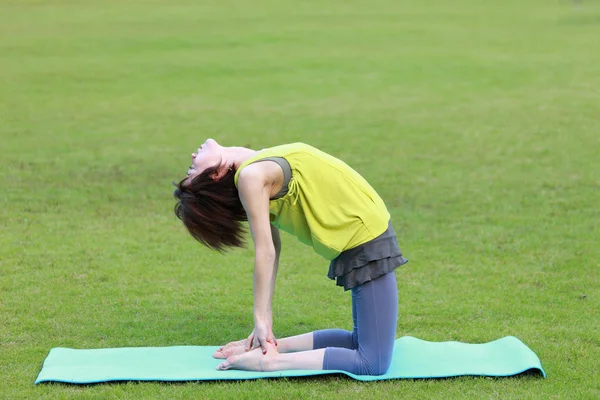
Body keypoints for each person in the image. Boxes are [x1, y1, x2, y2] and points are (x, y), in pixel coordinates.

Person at [173, 139, 408, 375]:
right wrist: (261, 319)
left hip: (363, 236)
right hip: (366, 240)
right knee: (372, 362)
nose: (193, 156)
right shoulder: (251, 176)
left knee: (362, 342)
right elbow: (267, 250)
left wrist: (264, 330)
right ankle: (270, 362)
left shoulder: (255, 164)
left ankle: (272, 349)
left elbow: (273, 248)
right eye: (191, 171)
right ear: (215, 174)